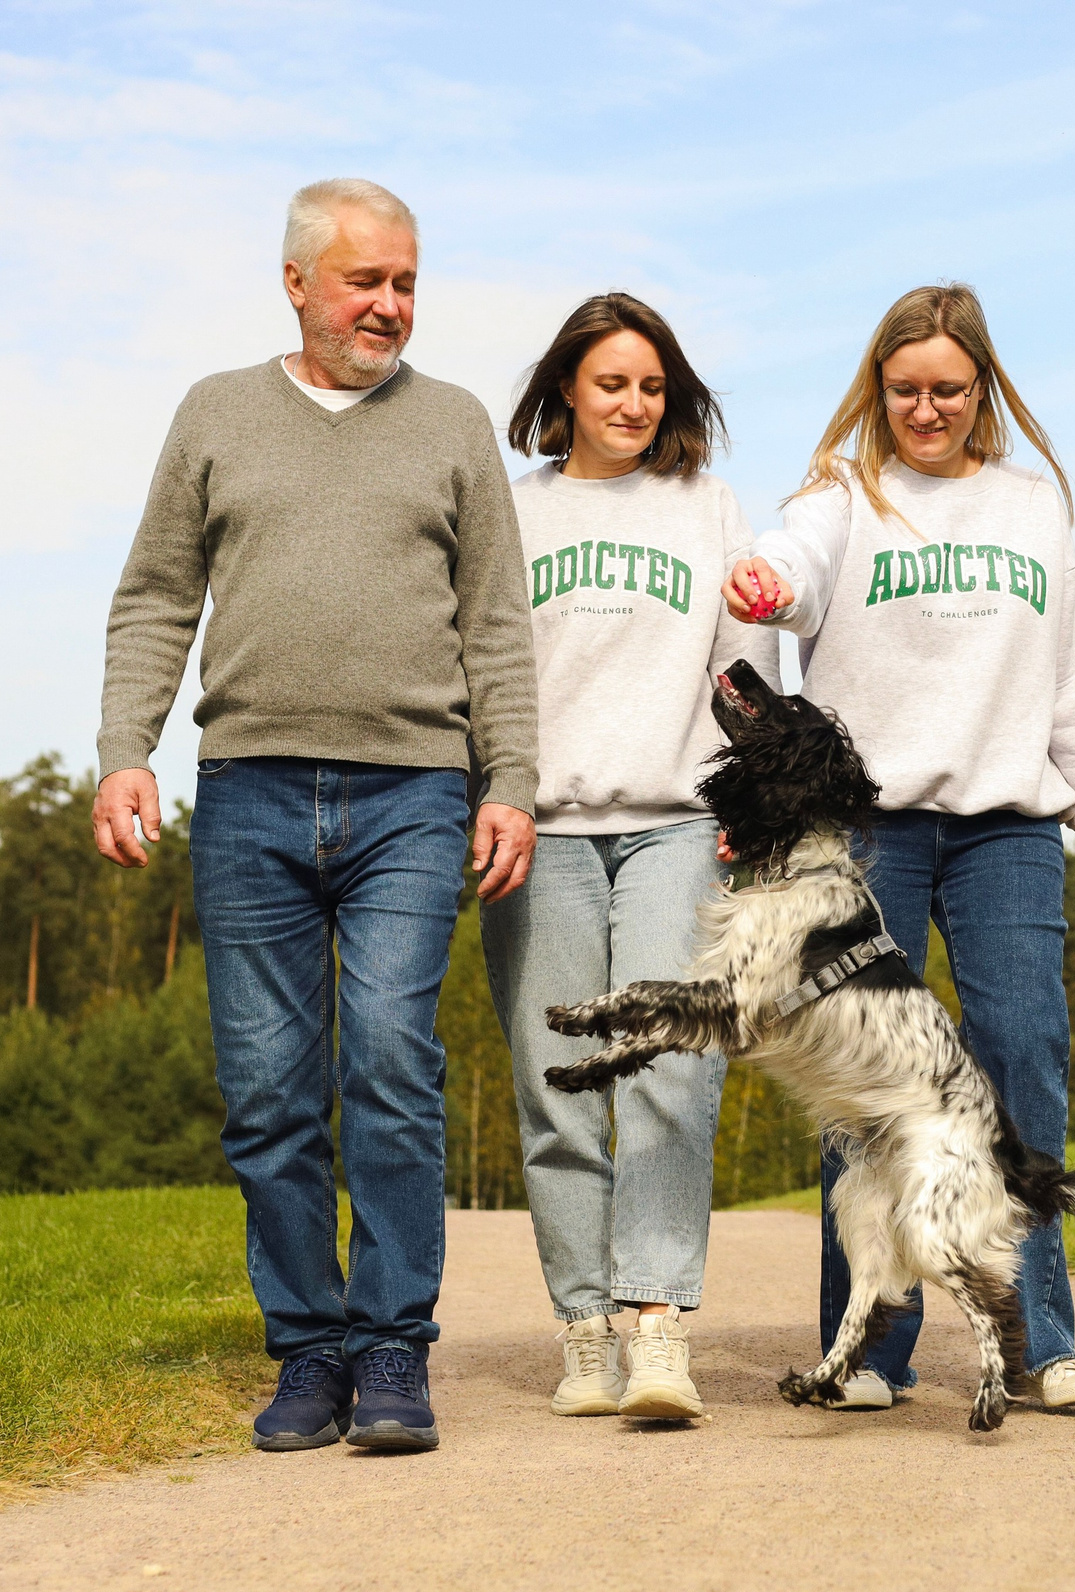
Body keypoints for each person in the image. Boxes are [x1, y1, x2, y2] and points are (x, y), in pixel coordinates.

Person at [91, 177, 539, 1454]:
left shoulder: (453, 425)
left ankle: (394, 1349)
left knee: (392, 1067)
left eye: (406, 283)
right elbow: (155, 597)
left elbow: (496, 624)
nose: (390, 306)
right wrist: (127, 751)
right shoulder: (214, 414)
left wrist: (509, 781)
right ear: (297, 283)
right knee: (271, 1094)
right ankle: (308, 1353)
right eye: (365, 282)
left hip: (413, 790)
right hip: (249, 793)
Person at [726, 282, 1075, 1413]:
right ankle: (871, 1351)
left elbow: (1072, 675)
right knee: (871, 1086)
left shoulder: (1028, 506)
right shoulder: (841, 498)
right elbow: (793, 565)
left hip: (1007, 824)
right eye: (903, 390)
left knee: (1020, 1064)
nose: (925, 410)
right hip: (869, 835)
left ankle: (1043, 1339)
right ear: (878, 389)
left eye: (947, 390)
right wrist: (771, 582)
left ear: (982, 388)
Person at [487, 293, 778, 1422]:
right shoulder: (514, 514)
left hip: (673, 824)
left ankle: (656, 1325)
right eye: (612, 383)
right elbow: (485, 673)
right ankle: (583, 1330)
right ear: (566, 388)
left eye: (652, 386)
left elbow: (741, 669)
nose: (634, 404)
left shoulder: (708, 509)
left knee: (669, 1069)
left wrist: (748, 797)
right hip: (541, 829)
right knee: (554, 1082)